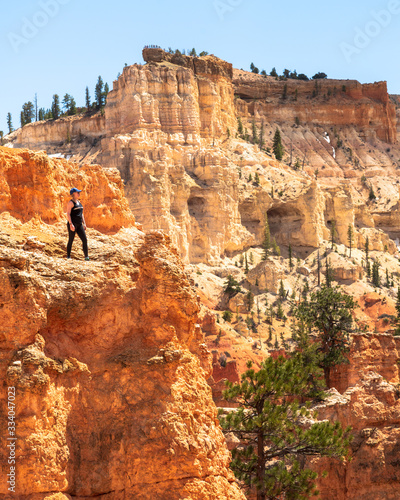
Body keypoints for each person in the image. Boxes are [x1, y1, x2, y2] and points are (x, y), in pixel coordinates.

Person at [66, 187, 89, 260]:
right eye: (77, 192)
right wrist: (70, 224)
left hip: (79, 224)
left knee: (84, 239)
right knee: (71, 240)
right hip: (73, 224)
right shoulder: (71, 203)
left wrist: (84, 223)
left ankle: (86, 257)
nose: (79, 193)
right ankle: (68, 256)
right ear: (73, 194)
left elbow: (81, 214)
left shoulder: (79, 202)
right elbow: (68, 213)